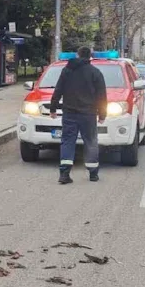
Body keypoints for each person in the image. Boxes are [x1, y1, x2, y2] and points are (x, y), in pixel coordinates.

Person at [49, 46, 107, 184]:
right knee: (91, 141)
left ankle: (64, 174)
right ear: (90, 57)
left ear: (77, 55)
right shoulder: (95, 72)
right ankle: (93, 174)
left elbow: (58, 90)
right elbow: (101, 96)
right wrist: (102, 114)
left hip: (69, 113)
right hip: (88, 114)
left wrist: (53, 108)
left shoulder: (67, 71)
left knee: (68, 141)